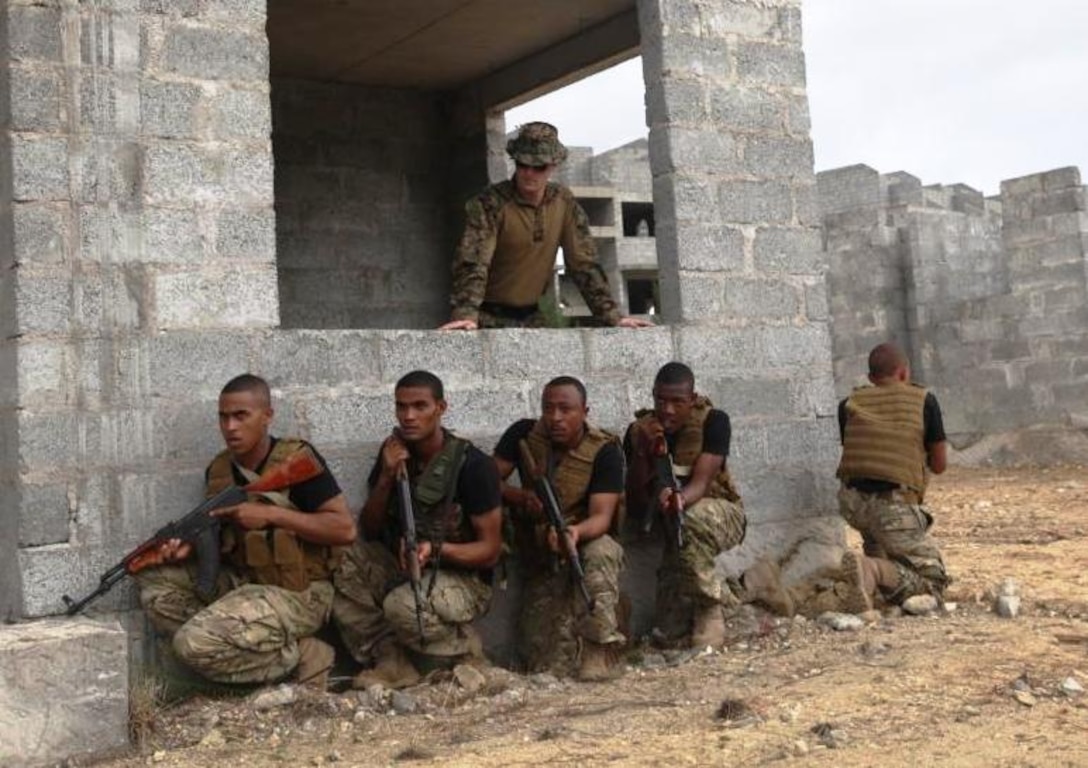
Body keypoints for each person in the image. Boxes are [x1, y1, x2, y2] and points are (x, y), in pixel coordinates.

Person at [135, 374, 356, 690]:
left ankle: (303, 659)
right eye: (223, 417)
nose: (230, 427)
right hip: (245, 583)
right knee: (154, 583)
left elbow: (344, 529)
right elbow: (222, 538)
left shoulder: (297, 460)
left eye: (241, 416)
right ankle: (253, 647)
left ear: (267, 416)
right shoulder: (219, 470)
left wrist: (272, 514)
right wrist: (192, 548)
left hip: (301, 592)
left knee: (192, 644)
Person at [332, 371, 503, 689]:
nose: (409, 416)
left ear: (441, 407)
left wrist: (435, 550)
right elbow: (370, 529)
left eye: (420, 406)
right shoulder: (394, 451)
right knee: (344, 564)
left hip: (465, 579)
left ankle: (464, 651)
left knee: (402, 606)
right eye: (401, 407)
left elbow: (489, 551)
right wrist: (386, 476)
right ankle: (391, 658)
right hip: (405, 565)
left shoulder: (473, 466)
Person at [439, 121, 652, 331]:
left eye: (538, 167)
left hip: (532, 317)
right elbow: (473, 261)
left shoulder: (564, 202)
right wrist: (466, 314)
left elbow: (584, 264)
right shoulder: (490, 203)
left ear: (552, 166)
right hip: (486, 319)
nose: (529, 173)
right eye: (523, 164)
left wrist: (613, 317)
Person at [493, 377, 626, 681]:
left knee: (602, 550)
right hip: (541, 551)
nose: (555, 418)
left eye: (565, 409)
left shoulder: (604, 450)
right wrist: (520, 497)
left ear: (584, 411)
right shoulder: (524, 435)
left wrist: (576, 533)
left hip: (584, 541)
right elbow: (488, 478)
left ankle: (600, 645)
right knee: (543, 659)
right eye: (548, 409)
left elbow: (602, 517)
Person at [624, 362, 747, 649]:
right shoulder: (638, 431)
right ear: (653, 395)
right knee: (669, 630)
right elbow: (636, 504)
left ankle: (709, 608)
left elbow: (702, 483)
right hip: (673, 529)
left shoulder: (713, 421)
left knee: (690, 518)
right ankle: (748, 585)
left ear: (692, 400)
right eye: (661, 401)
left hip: (719, 513)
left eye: (677, 402)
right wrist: (643, 455)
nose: (668, 410)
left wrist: (678, 499)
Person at [836, 342, 951, 611]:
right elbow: (940, 464)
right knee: (933, 582)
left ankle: (872, 579)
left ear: (871, 378)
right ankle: (874, 571)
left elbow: (861, 456)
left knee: (878, 527)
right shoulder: (923, 400)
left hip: (853, 505)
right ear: (903, 373)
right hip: (893, 510)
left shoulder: (848, 405)